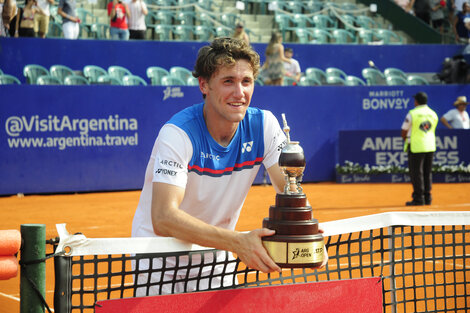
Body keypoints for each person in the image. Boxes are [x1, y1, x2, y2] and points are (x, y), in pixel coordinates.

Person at [131, 37, 327, 295]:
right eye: (228, 82)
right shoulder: (177, 134)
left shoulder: (264, 126)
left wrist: (305, 234)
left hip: (215, 260)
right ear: (204, 85)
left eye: (246, 81)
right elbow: (163, 218)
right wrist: (237, 242)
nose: (239, 92)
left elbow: (289, 188)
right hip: (159, 262)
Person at [401, 92, 438, 206]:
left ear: (416, 101)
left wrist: (406, 139)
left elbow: (404, 130)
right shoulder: (433, 114)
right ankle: (427, 197)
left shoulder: (413, 113)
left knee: (417, 173)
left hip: (416, 146)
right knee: (427, 172)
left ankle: (418, 198)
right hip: (430, 146)